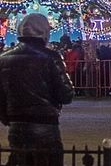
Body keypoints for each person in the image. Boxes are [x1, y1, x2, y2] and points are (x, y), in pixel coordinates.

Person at [0, 14, 74, 166]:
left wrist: (7, 117)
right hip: (45, 124)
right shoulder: (51, 57)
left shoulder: (4, 59)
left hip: (17, 125)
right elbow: (66, 94)